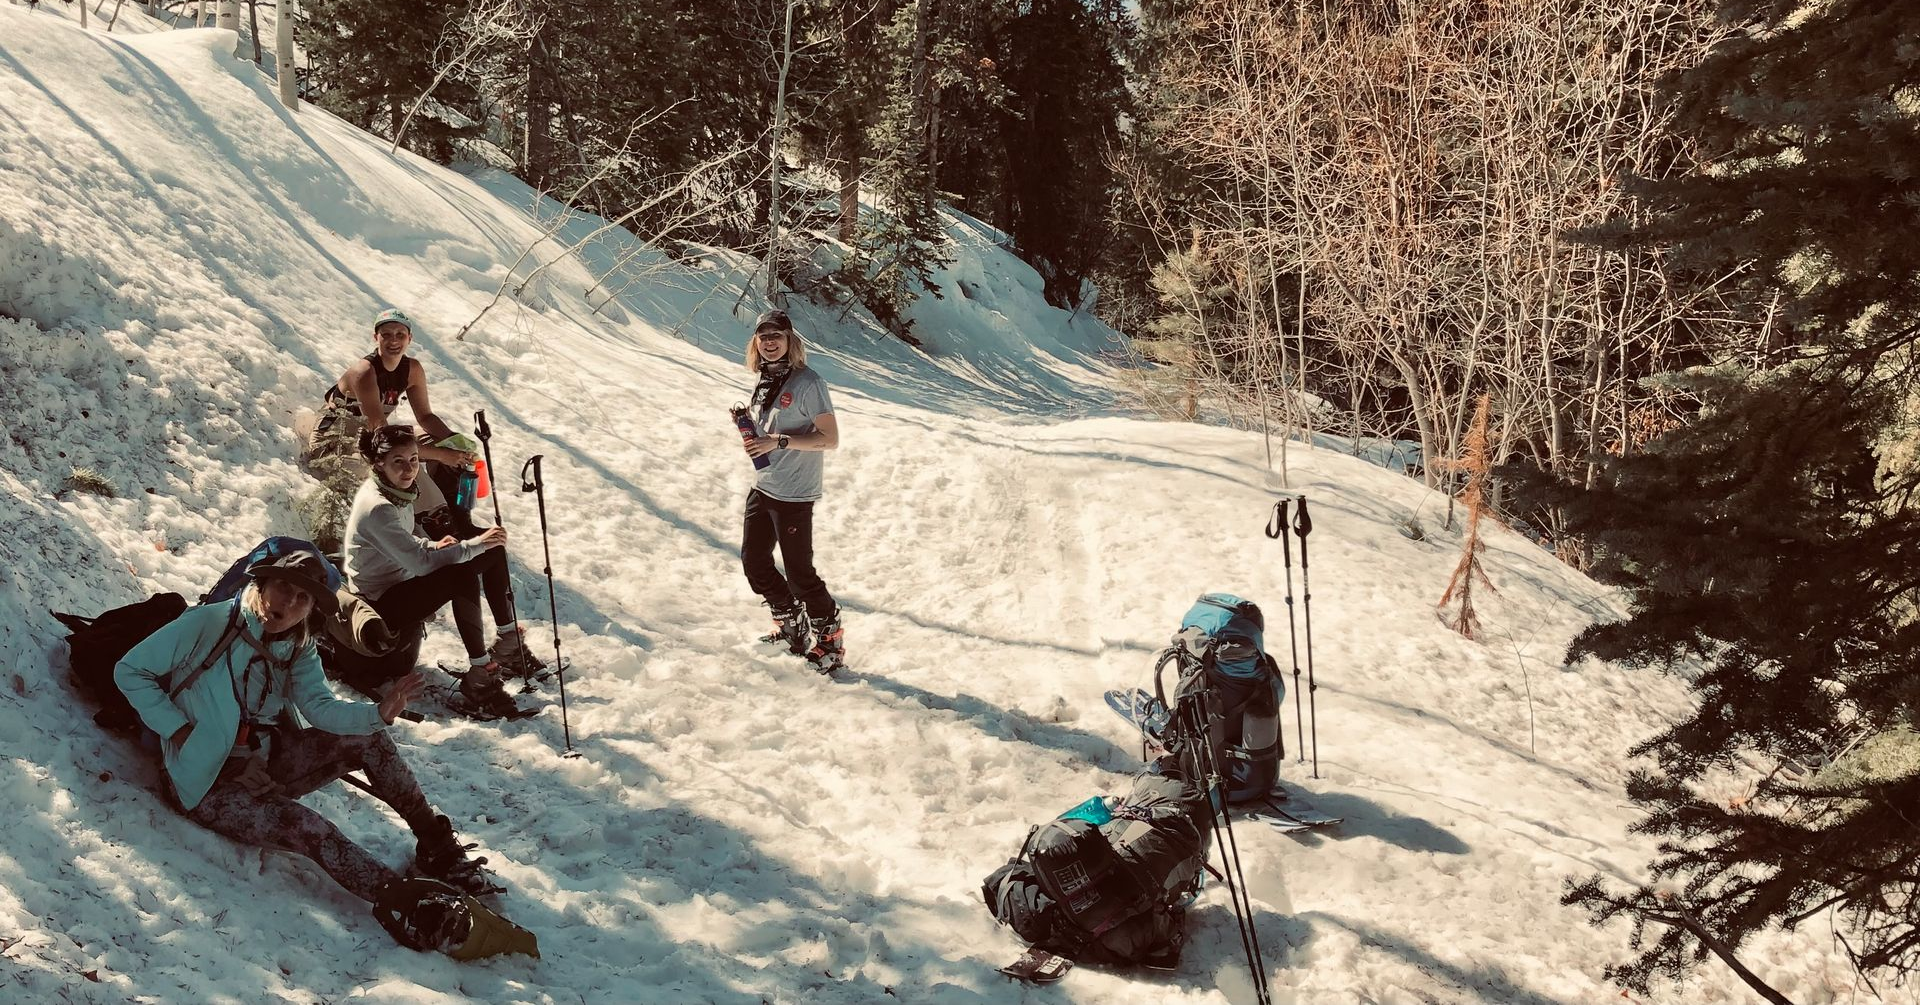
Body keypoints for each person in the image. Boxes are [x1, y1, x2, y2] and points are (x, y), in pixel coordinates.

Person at [113, 551, 513, 950]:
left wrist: (378, 713)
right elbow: (130, 670)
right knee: (308, 828)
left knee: (369, 738)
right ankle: (408, 903)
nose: (288, 603)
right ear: (262, 585)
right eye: (284, 587)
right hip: (205, 784)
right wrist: (181, 732)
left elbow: (320, 707)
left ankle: (436, 844)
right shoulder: (207, 625)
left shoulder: (297, 647)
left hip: (266, 764)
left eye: (303, 598)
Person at [342, 424, 535, 716]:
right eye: (399, 461)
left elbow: (407, 540)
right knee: (461, 573)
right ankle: (480, 676)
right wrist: (470, 545)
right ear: (379, 463)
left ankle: (508, 643)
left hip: (401, 581)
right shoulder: (378, 506)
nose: (409, 469)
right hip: (380, 602)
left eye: (414, 460)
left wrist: (433, 544)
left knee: (494, 550)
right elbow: (420, 564)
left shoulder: (396, 490)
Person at [294, 308, 481, 552]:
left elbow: (425, 416)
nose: (394, 341)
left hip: (372, 435)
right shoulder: (364, 372)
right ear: (376, 338)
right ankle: (434, 520)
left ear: (409, 338)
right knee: (404, 462)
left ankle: (455, 512)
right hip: (337, 439)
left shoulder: (412, 369)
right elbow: (382, 437)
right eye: (387, 335)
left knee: (433, 442)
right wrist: (441, 455)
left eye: (400, 335)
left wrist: (452, 442)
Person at [981, 769, 1208, 969]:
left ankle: (1072, 921)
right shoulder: (1188, 821)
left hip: (1093, 892)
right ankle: (1080, 924)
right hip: (1139, 865)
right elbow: (1161, 942)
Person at [738, 308, 845, 671]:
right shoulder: (765, 379)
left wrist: (778, 442)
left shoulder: (808, 383)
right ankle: (792, 627)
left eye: (776, 337)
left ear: (790, 340)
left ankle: (830, 642)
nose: (770, 343)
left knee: (800, 575)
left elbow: (829, 440)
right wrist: (752, 434)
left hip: (795, 493)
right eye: (763, 337)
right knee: (755, 564)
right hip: (764, 485)